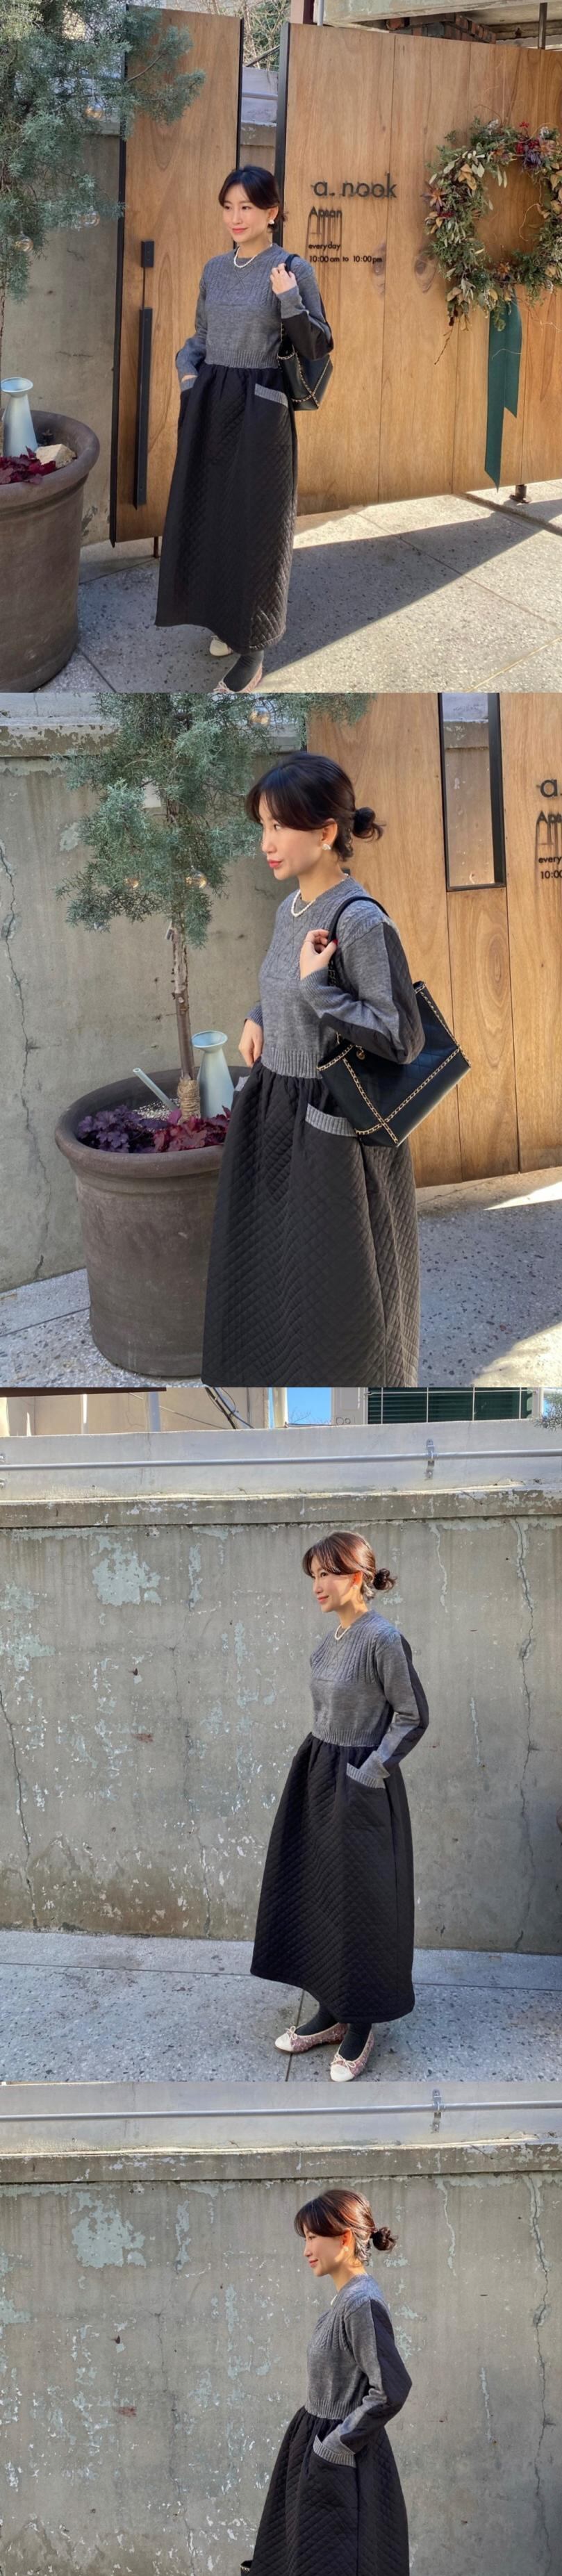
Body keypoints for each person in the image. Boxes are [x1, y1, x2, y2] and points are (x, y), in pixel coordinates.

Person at [201, 751, 424, 1384]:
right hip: (276, 1109)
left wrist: (317, 988)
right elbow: (289, 983)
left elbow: (400, 1037)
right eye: (262, 827)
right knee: (278, 1277)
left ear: (326, 831)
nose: (265, 844)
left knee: (338, 1297)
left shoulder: (360, 921)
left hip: (333, 1128)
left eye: (278, 827)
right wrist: (260, 1015)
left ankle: (361, 1416)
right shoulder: (290, 909)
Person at [238, 2185, 412, 2576]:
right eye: (304, 2237)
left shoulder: (361, 2302)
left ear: (344, 2238)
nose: (306, 2248)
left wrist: (334, 2447)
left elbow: (390, 2390)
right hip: (317, 2454)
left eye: (313, 2236)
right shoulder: (344, 2298)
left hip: (346, 2467)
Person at [251, 1530, 429, 2081]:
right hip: (317, 1775)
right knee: (320, 1896)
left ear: (356, 1576)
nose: (317, 1586)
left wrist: (369, 1773)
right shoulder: (332, 1638)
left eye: (326, 1574)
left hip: (359, 1783)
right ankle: (330, 2010)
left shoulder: (383, 1639)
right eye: (313, 1576)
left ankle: (361, 2022)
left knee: (363, 1905)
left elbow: (412, 1715)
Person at [155, 166, 332, 691]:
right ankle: (225, 623)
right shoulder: (214, 269)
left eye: (247, 208)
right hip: (210, 404)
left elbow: (318, 344)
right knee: (212, 515)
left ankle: (253, 651)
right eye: (228, 207)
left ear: (271, 213)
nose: (236, 217)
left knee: (257, 526)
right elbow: (202, 334)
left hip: (261, 411)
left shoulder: (292, 268)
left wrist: (289, 298)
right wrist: (188, 374)